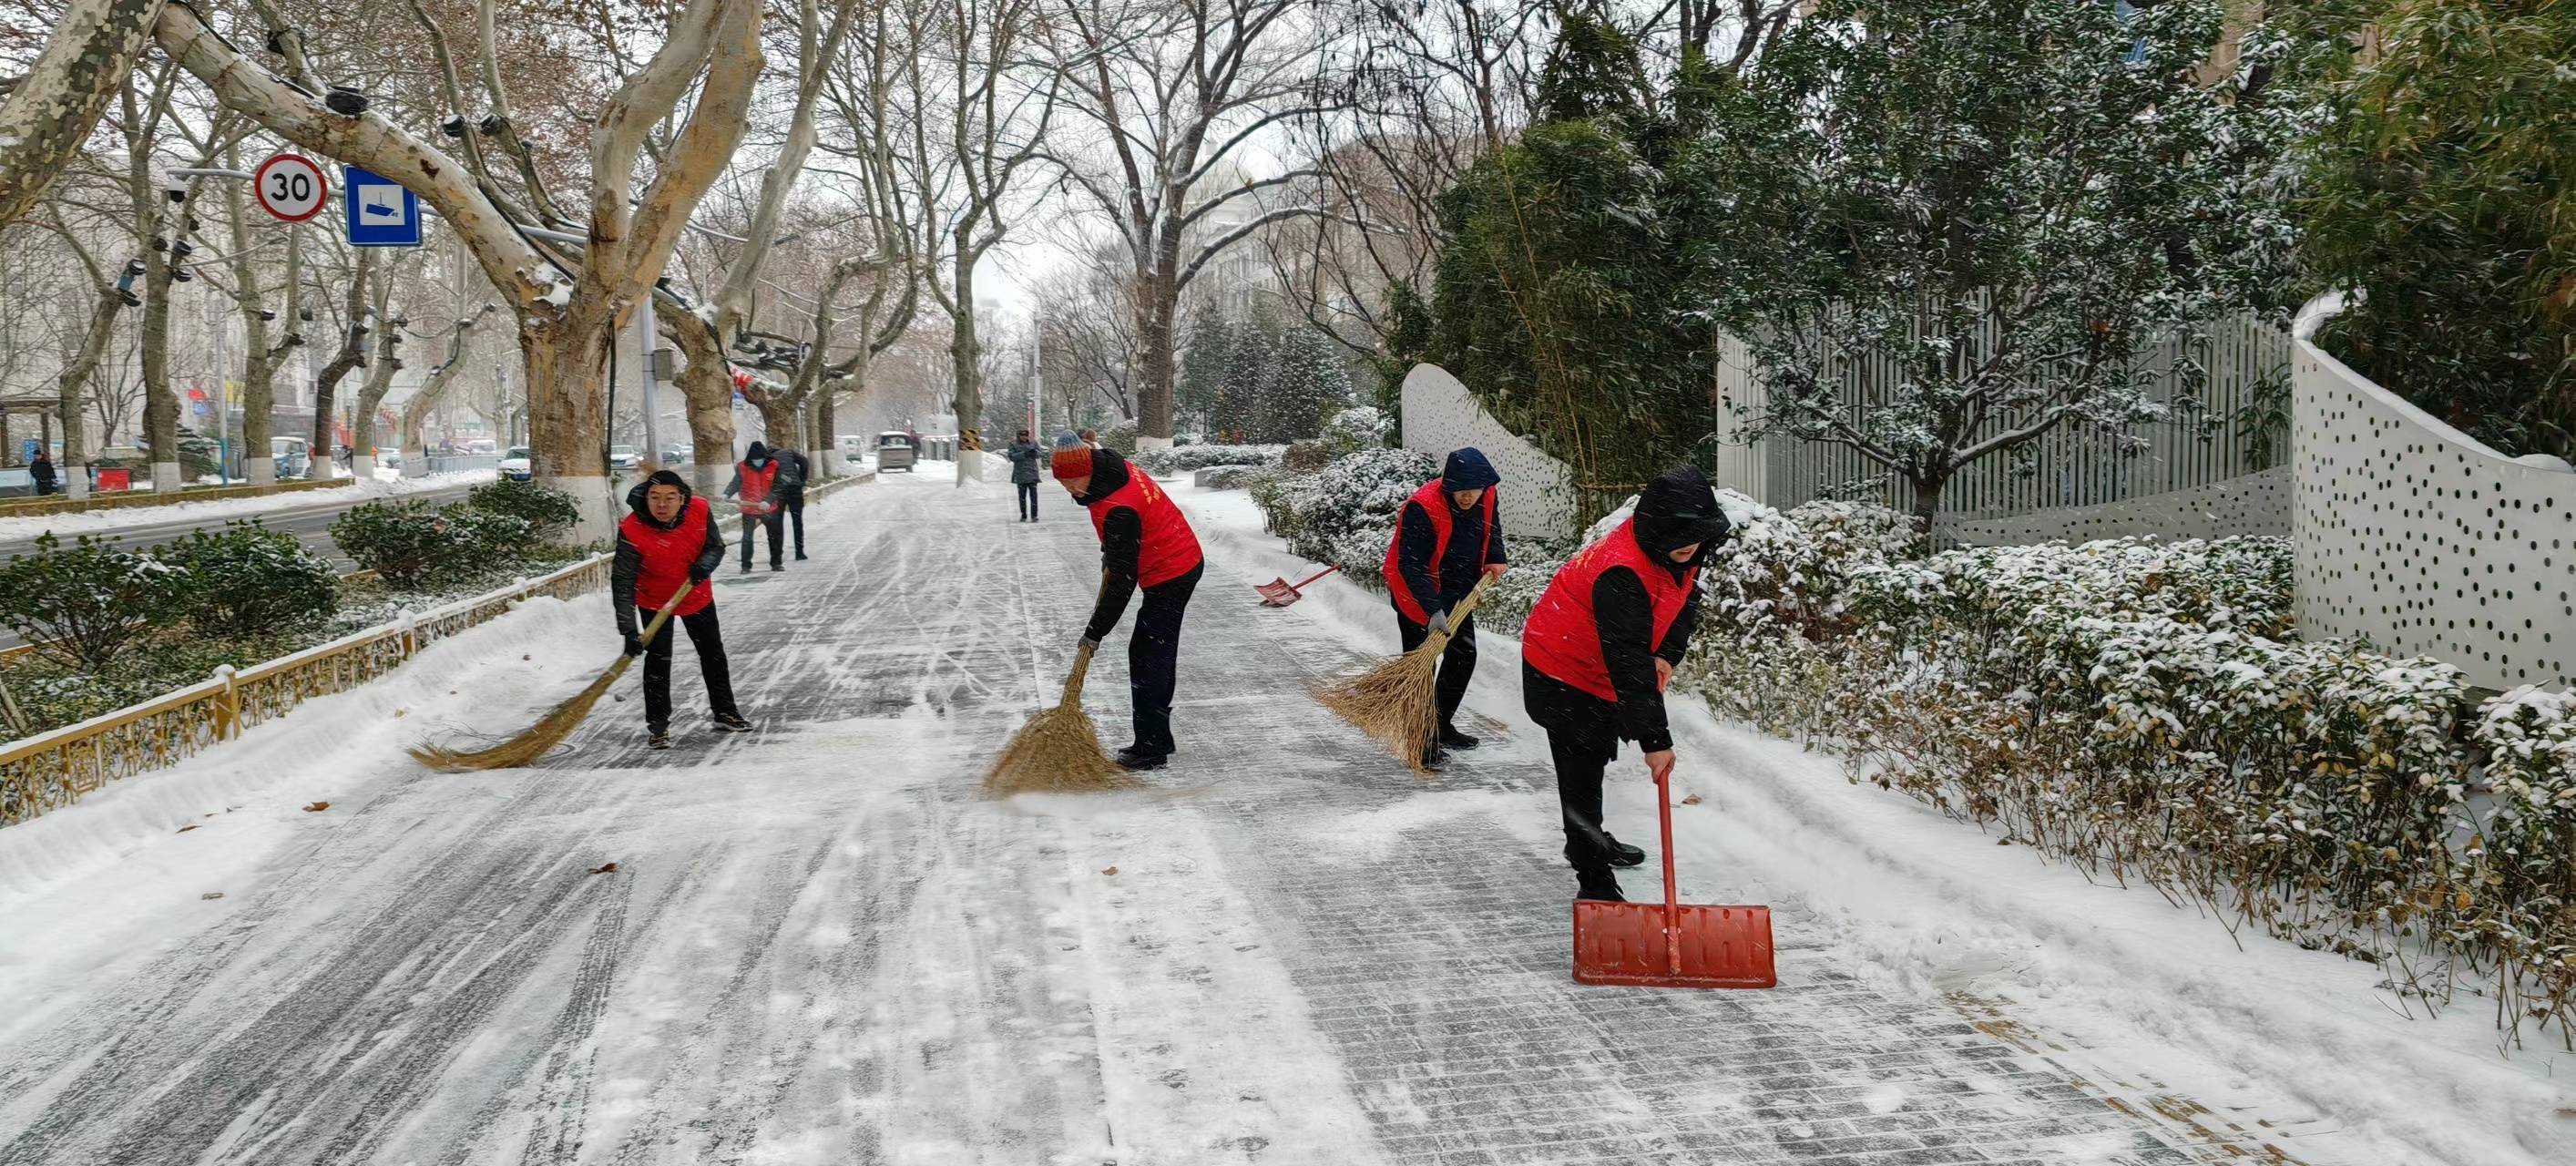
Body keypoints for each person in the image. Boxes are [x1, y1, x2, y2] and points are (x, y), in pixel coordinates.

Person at [1520, 466, 1731, 904]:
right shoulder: (1621, 570)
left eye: (1695, 538)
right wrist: (1655, 740)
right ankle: (1592, 880)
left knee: (1594, 755)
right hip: (1561, 670)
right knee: (1580, 770)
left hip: (1596, 667)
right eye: (1680, 539)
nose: (1690, 548)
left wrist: (1667, 654)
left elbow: (1684, 600)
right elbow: (1627, 660)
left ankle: (1591, 838)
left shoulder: (1680, 551)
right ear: (1658, 531)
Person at [1053, 436, 1203, 771]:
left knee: (1149, 656)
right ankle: (1157, 738)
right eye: (1063, 485)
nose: (1071, 491)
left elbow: (1122, 583)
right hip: (1177, 554)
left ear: (1087, 471)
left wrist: (1095, 632)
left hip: (1172, 570)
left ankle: (1152, 748)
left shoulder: (1117, 507)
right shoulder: (1110, 469)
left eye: (1073, 483)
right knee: (1153, 652)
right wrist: (1114, 549)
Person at [1383, 448, 1508, 766]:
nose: (1467, 497)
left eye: (1474, 490)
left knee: (1463, 656)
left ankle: (1439, 725)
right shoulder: (1422, 508)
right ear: (1448, 485)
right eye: (1460, 491)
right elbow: (1410, 566)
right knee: (1420, 669)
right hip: (1417, 592)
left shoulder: (1486, 495)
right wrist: (1432, 611)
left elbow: (1492, 527)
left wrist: (1496, 557)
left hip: (1458, 591)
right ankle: (1419, 740)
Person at [612, 469, 751, 749]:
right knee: (658, 662)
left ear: (682, 499)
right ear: (646, 498)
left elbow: (715, 546)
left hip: (694, 593)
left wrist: (704, 566)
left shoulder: (699, 509)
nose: (661, 505)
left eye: (669, 498)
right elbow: (623, 580)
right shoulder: (631, 529)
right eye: (655, 498)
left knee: (712, 654)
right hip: (653, 599)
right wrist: (629, 629)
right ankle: (658, 725)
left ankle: (725, 711)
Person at [725, 440, 786, 573]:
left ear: (765, 457)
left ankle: (776, 563)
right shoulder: (742, 467)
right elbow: (736, 483)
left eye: (760, 459)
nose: (757, 461)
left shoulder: (774, 466)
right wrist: (727, 493)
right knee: (747, 538)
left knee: (774, 536)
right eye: (754, 459)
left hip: (769, 508)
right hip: (749, 508)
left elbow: (778, 486)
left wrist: (768, 501)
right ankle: (746, 566)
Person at [771, 444, 812, 560]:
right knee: (797, 521)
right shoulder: (789, 452)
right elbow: (804, 461)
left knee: (777, 523)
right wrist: (802, 479)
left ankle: (778, 553)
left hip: (779, 492)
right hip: (795, 489)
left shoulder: (768, 458)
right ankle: (800, 552)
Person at [1005, 430, 1045, 521]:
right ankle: (1024, 515)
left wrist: (1035, 453)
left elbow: (1040, 454)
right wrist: (1024, 454)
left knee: (1034, 496)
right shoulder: (1013, 444)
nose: (1024, 437)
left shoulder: (1033, 442)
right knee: (1022, 497)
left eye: (1026, 435)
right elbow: (1011, 456)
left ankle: (1034, 516)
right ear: (1018, 436)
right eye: (1022, 435)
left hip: (1032, 473)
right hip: (1020, 473)